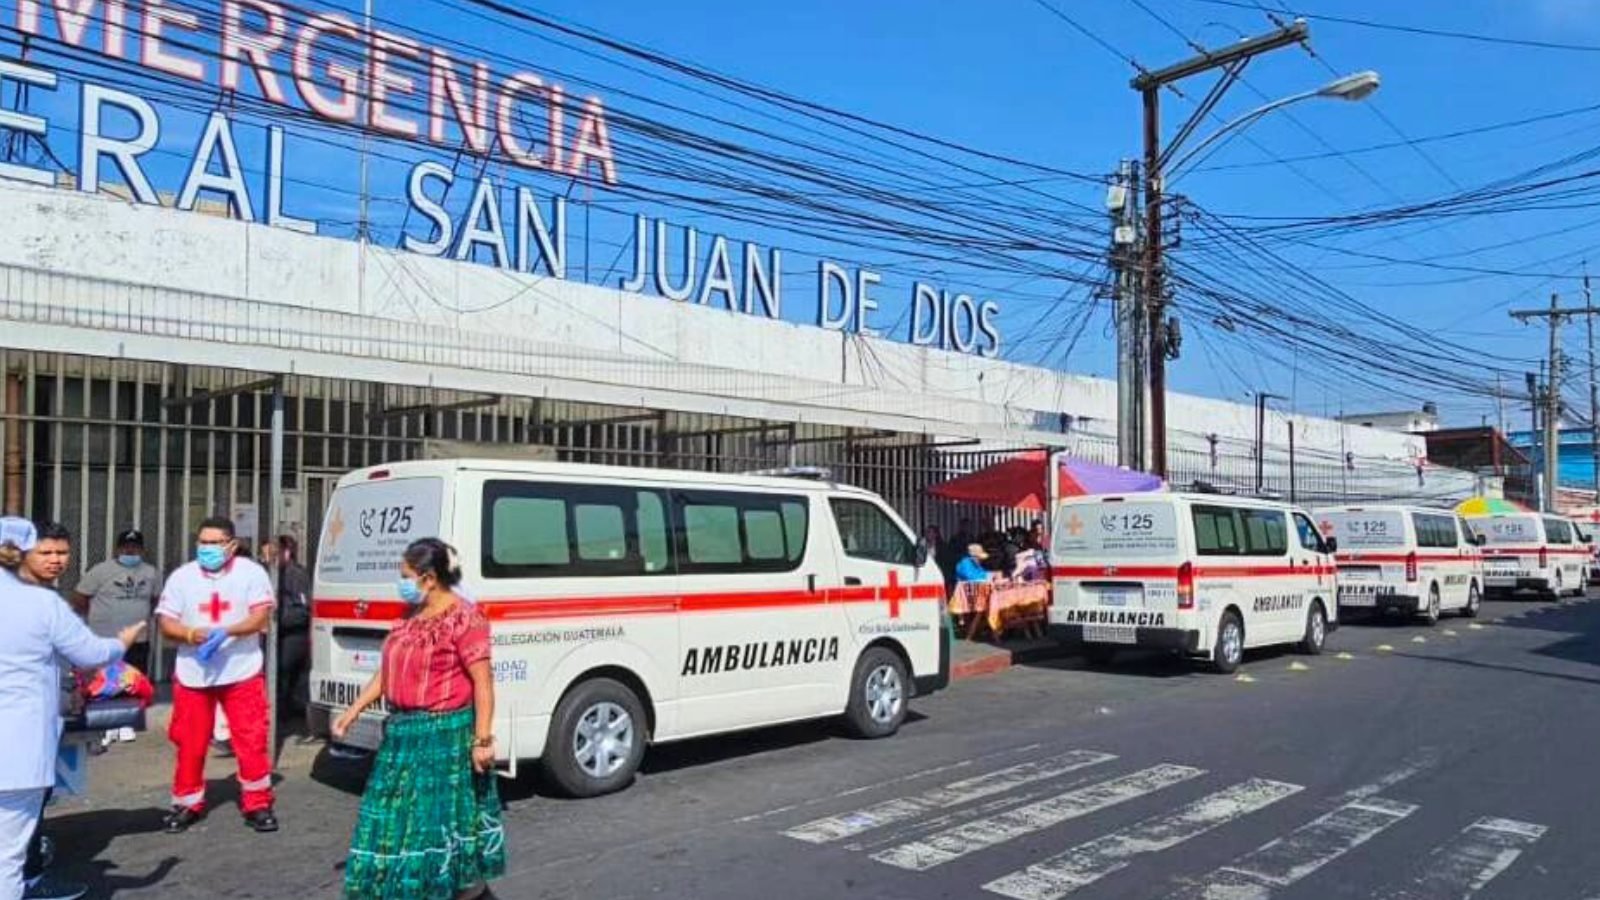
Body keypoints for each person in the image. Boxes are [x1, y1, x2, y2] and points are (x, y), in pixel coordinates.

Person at [335, 538, 504, 900]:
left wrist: (483, 740)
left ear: (428, 578)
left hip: (445, 739)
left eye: (406, 576)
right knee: (394, 829)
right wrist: (352, 711)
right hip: (402, 739)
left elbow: (483, 685)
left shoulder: (465, 618)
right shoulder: (407, 619)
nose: (402, 582)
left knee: (439, 833)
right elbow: (386, 673)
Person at [0, 517, 144, 900]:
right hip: (17, 754)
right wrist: (122, 642)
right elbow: (92, 653)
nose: (54, 560)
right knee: (7, 859)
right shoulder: (41, 604)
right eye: (43, 551)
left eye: (61, 552)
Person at [155, 516, 278, 834]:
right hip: (194, 673)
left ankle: (257, 803)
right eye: (203, 542)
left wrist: (226, 632)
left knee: (250, 739)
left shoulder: (252, 573)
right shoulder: (181, 577)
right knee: (190, 742)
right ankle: (186, 803)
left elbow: (260, 618)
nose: (207, 548)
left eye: (214, 543)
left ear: (232, 545)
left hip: (241, 669)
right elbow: (166, 623)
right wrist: (191, 633)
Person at [72, 529, 160, 744]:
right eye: (126, 547)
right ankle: (105, 725)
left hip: (138, 639)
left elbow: (155, 600)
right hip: (104, 639)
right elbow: (80, 597)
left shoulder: (151, 572)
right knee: (102, 682)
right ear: (117, 549)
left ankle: (128, 722)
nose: (130, 550)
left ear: (142, 549)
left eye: (135, 547)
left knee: (133, 681)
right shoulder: (101, 571)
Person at [272, 536, 311, 719]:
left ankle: (285, 713)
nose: (268, 558)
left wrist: (278, 618)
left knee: (284, 674)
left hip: (293, 635)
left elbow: (303, 609)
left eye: (273, 553)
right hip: (280, 633)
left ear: (286, 553)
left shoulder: (295, 574)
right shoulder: (275, 573)